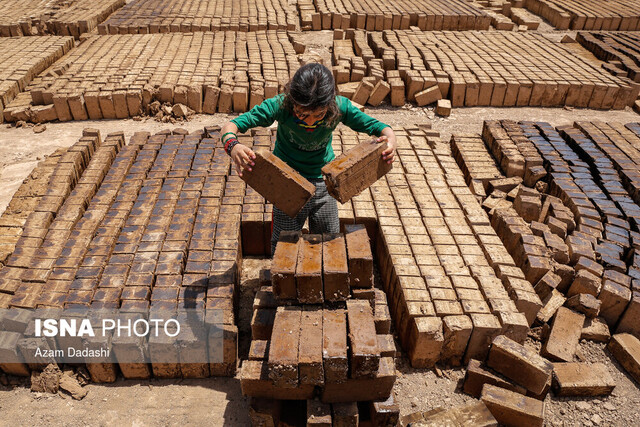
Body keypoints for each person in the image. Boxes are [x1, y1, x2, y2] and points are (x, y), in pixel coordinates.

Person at [220, 62, 396, 254]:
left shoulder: (340, 107)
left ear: (330, 104)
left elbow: (381, 128)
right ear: (292, 100)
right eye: (302, 114)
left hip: (324, 183)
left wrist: (390, 140)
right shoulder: (280, 106)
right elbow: (230, 126)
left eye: (318, 115)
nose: (311, 121)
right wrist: (233, 146)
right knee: (283, 246)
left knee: (329, 242)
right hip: (285, 183)